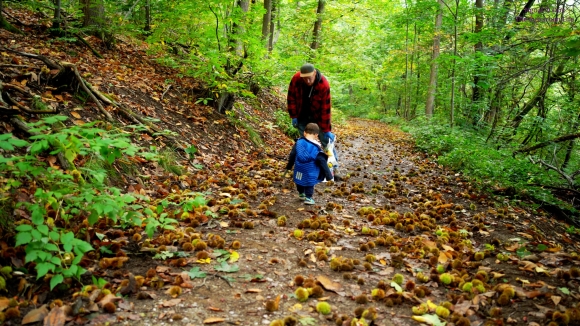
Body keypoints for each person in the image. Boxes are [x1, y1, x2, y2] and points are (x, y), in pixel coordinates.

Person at [287, 63, 341, 179]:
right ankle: (308, 169)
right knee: (306, 143)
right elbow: (291, 97)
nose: (307, 80)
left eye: (309, 78)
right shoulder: (296, 79)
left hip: (318, 115)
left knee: (326, 142)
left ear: (314, 73)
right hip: (302, 115)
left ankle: (334, 169)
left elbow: (326, 108)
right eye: (304, 78)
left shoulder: (323, 84)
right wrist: (293, 116)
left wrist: (326, 130)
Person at [285, 123, 334, 205]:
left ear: (304, 133)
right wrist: (328, 175)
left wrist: (289, 166)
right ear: (316, 135)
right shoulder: (316, 148)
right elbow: (322, 161)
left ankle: (301, 194)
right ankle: (308, 198)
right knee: (309, 183)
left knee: (299, 180)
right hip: (310, 170)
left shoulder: (298, 143)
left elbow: (292, 155)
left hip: (299, 168)